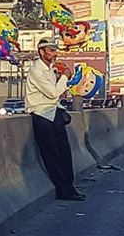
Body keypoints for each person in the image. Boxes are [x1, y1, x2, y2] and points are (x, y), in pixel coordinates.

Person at [26, 39, 85, 201]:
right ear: (41, 52)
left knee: (65, 153)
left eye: (55, 51)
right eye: (50, 51)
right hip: (41, 115)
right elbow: (53, 93)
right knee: (52, 156)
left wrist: (61, 74)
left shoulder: (50, 69)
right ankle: (63, 190)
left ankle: (70, 187)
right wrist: (64, 77)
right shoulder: (37, 70)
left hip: (54, 113)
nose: (54, 54)